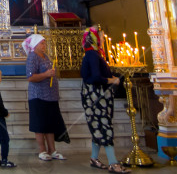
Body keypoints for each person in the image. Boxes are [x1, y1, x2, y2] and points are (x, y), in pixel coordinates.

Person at [80, 28, 130, 173]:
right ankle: (114, 163)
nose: (103, 39)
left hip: (94, 94)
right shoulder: (92, 55)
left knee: (98, 126)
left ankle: (94, 158)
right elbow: (95, 77)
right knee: (104, 126)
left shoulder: (92, 54)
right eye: (100, 37)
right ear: (94, 39)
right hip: (96, 95)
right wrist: (112, 80)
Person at [24, 34, 68, 162]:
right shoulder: (33, 57)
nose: (44, 45)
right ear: (35, 45)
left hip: (50, 96)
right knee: (40, 125)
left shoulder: (45, 56)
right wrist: (46, 74)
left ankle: (52, 150)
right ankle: (42, 150)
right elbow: (30, 77)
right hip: (38, 96)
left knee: (50, 124)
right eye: (42, 43)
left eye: (44, 43)